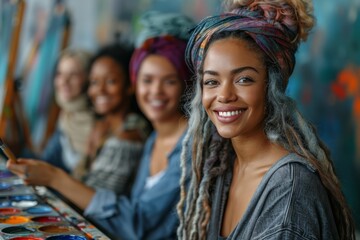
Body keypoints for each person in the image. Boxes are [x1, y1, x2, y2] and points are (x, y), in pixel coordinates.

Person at [176, 0, 355, 239]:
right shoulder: (222, 166)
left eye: (244, 79)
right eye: (212, 81)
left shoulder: (291, 190)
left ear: (271, 86)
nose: (224, 95)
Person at [83, 12, 194, 239]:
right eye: (147, 80)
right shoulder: (154, 139)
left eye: (169, 81)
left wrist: (56, 179)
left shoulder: (192, 146)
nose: (155, 91)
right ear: (135, 83)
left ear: (185, 85)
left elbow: (140, 224)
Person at [7, 43, 148, 210]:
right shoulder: (98, 124)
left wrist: (53, 178)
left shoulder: (126, 135)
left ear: (130, 85)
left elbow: (95, 201)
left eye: (111, 81)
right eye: (94, 82)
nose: (100, 90)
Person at [41, 48, 94, 173]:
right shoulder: (66, 116)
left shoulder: (101, 121)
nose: (64, 81)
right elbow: (46, 162)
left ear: (89, 78)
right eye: (59, 74)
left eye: (73, 74)